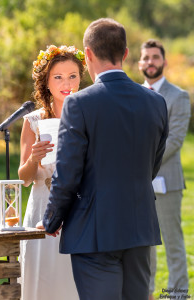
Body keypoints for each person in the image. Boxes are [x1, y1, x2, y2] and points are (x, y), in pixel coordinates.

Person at [43, 18, 168, 300]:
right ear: (125, 54)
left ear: (87, 54)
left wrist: (51, 219)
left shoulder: (78, 103)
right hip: (139, 227)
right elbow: (152, 165)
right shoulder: (156, 102)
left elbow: (68, 173)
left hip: (94, 231)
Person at [18, 44, 85, 300]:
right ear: (46, 82)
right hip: (41, 208)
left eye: (72, 76)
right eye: (58, 77)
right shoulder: (32, 121)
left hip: (77, 208)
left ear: (80, 78)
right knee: (41, 279)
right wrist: (34, 158)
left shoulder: (87, 116)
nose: (66, 83)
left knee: (72, 281)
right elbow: (24, 179)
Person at [138, 39, 191, 299]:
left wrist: (139, 164)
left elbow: (175, 140)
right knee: (144, 245)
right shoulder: (133, 94)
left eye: (155, 57)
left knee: (173, 243)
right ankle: (146, 293)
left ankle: (177, 294)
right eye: (146, 57)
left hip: (166, 182)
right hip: (137, 184)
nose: (150, 62)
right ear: (139, 63)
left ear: (164, 62)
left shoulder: (179, 96)